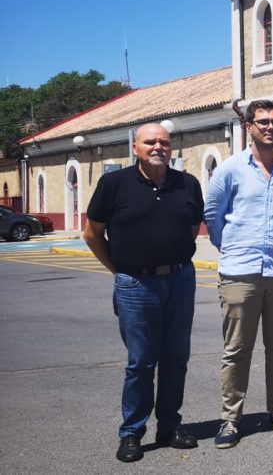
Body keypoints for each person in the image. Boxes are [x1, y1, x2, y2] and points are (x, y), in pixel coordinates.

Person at [84, 123, 204, 463]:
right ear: (135, 147)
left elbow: (192, 228)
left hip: (180, 281)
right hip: (136, 285)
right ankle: (132, 432)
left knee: (176, 359)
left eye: (164, 142)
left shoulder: (188, 184)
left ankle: (169, 426)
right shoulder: (113, 184)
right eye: (150, 142)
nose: (158, 147)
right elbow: (92, 234)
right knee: (140, 363)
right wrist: (120, 269)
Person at [204, 100, 273, 449]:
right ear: (248, 126)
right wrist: (232, 248)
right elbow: (213, 216)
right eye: (262, 121)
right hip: (239, 274)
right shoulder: (230, 169)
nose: (270, 127)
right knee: (237, 350)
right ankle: (231, 419)